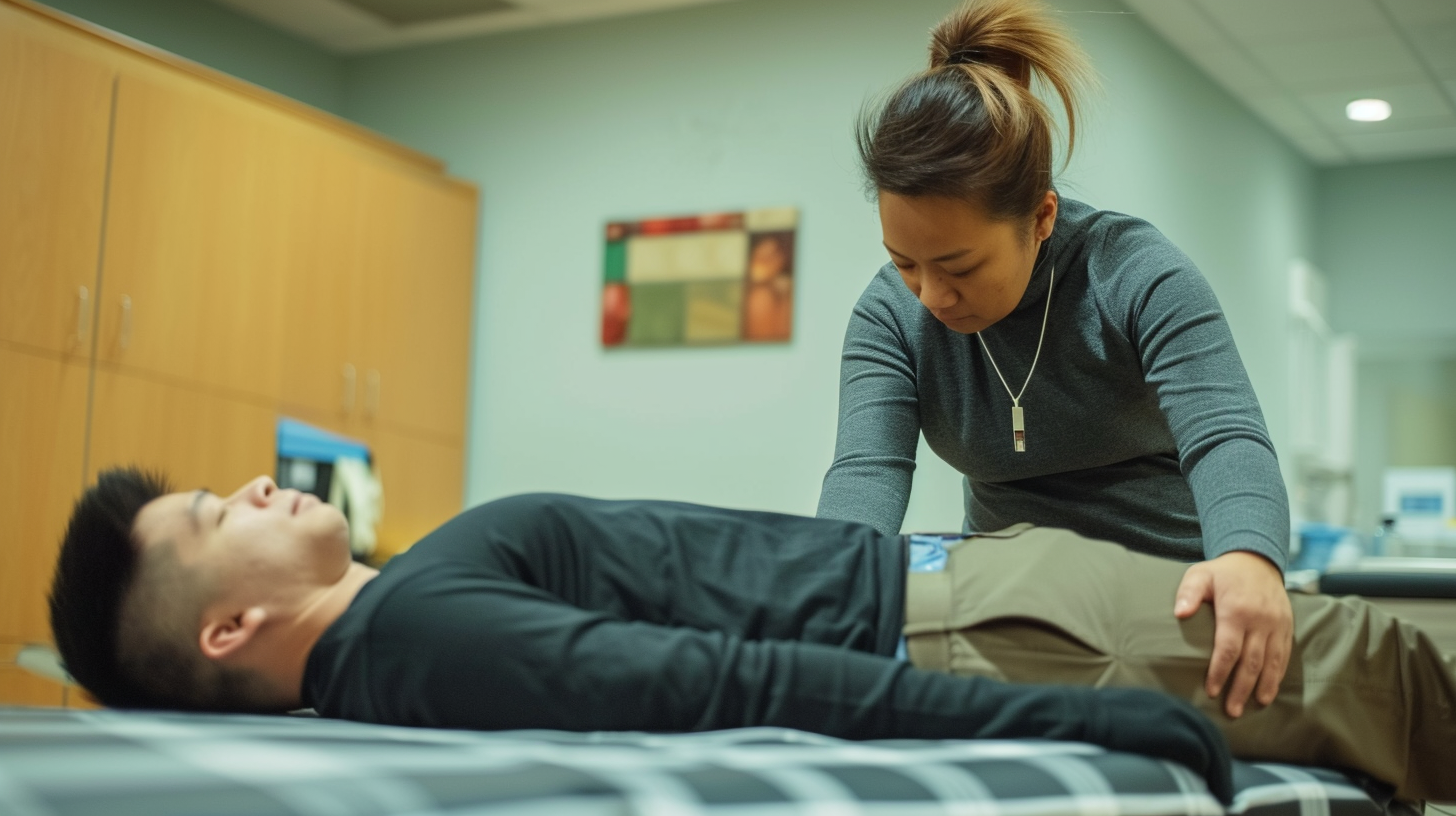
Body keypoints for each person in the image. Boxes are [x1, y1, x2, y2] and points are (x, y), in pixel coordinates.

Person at [50, 469, 1456, 804]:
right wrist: (1096, 721)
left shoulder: (401, 615)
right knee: (1396, 677)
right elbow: (733, 686)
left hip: (973, 592)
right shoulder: (424, 640)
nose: (249, 485)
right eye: (205, 515)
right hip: (992, 635)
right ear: (230, 624)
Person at [818, 0, 1294, 721]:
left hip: (1170, 610)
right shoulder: (890, 313)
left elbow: (1225, 436)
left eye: (959, 265)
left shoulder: (1136, 273)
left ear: (1041, 218)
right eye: (905, 262)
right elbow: (866, 471)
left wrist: (1250, 559)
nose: (933, 295)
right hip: (1015, 623)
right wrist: (822, 588)